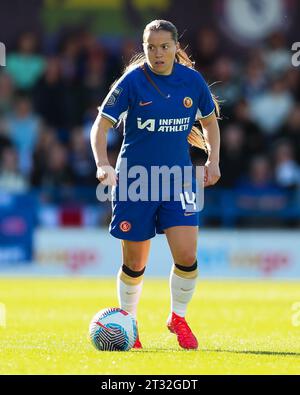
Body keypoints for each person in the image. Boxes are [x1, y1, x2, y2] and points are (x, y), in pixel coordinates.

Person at [90, 20, 221, 350]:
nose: (157, 53)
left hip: (177, 179)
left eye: (164, 46)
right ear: (143, 47)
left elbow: (209, 122)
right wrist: (102, 164)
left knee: (188, 256)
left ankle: (178, 317)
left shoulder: (191, 81)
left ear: (176, 47)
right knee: (135, 263)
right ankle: (129, 325)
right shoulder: (132, 82)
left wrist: (213, 160)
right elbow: (100, 126)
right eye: (151, 47)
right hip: (135, 181)